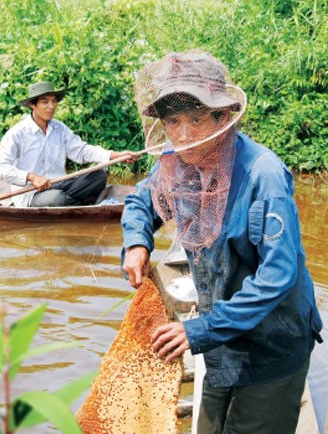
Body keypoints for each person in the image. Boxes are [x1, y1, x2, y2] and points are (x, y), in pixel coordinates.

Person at [121, 49, 323, 433]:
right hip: (220, 339)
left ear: (223, 117)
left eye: (196, 120)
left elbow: (277, 278)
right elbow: (141, 199)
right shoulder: (174, 160)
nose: (182, 136)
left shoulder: (264, 177)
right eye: (172, 122)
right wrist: (136, 242)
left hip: (271, 345)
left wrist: (195, 331)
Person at [0, 81, 137, 207]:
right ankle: (74, 203)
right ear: (32, 105)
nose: (51, 106)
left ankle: (70, 202)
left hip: (60, 184)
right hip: (31, 193)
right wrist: (31, 177)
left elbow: (82, 151)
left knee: (99, 176)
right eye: (45, 102)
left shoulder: (59, 128)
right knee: (57, 198)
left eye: (54, 101)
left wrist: (115, 155)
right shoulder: (17, 133)